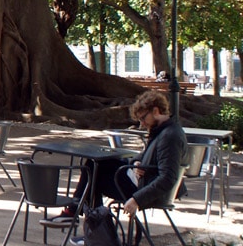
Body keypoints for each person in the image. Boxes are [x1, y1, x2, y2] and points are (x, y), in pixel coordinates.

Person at [62, 89, 187, 220]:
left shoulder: (170, 136)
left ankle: (86, 219)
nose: (142, 124)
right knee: (95, 164)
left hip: (144, 189)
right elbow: (143, 155)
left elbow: (168, 178)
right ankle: (90, 221)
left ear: (155, 111)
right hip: (140, 179)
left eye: (143, 118)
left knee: (94, 176)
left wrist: (136, 200)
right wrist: (136, 163)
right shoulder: (161, 130)